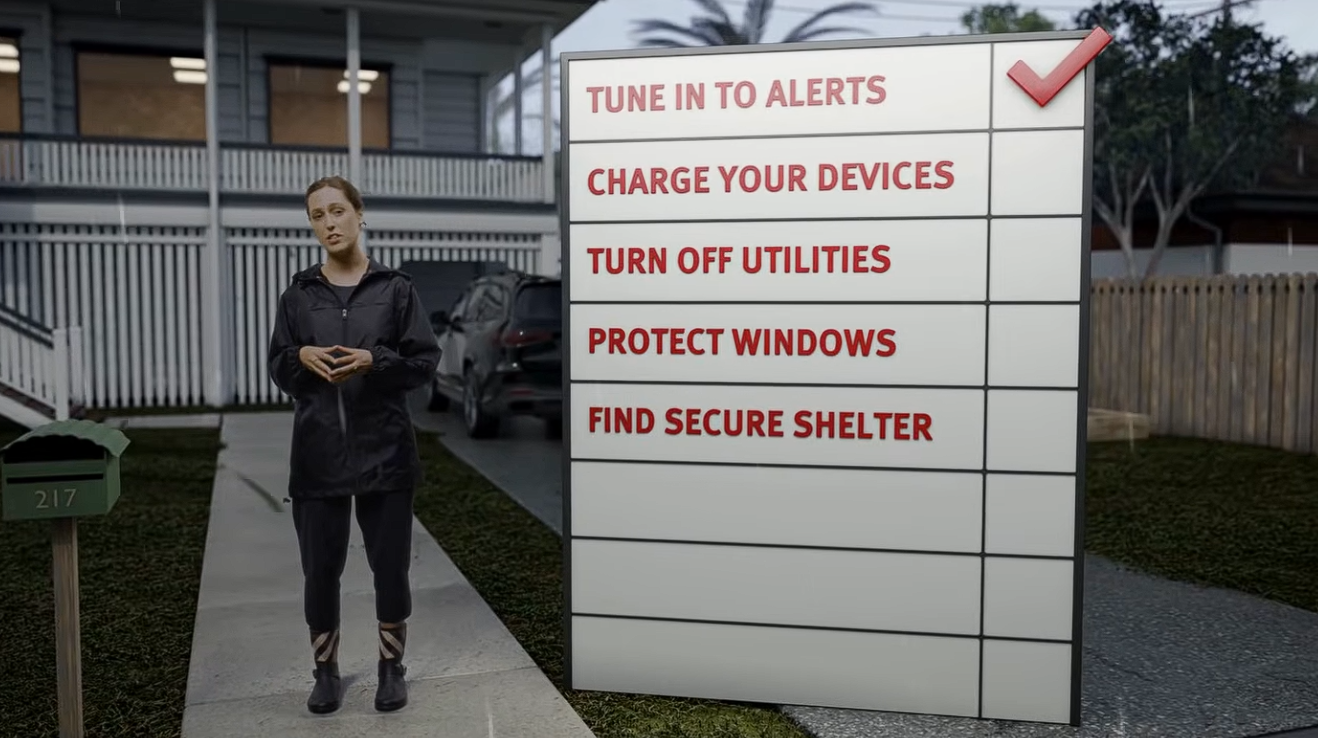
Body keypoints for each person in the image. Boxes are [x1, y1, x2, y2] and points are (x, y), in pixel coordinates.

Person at [267, 175, 440, 715]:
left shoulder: (396, 289)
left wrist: (375, 360)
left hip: (386, 454)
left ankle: (392, 667)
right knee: (320, 571)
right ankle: (326, 671)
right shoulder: (298, 295)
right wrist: (300, 360)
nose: (329, 224)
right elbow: (278, 366)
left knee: (390, 568)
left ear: (360, 215)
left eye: (338, 211)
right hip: (318, 457)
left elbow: (424, 365)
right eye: (317, 216)